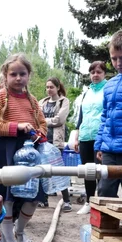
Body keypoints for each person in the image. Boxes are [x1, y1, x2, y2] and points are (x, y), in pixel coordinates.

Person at [0, 53, 47, 242]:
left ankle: (19, 231)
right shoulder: (0, 96)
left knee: (33, 197)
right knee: (8, 198)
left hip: (30, 151)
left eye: (23, 73)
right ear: (5, 75)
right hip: (7, 149)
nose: (18, 78)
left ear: (29, 75)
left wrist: (40, 134)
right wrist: (17, 127)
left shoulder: (32, 100)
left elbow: (42, 124)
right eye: (13, 74)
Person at [94, 28, 122, 199]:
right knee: (104, 191)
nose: (118, 63)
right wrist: (99, 143)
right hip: (109, 149)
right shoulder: (110, 84)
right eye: (114, 58)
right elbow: (105, 115)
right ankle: (105, 226)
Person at [74, 61, 108, 215]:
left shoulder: (108, 89)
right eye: (92, 72)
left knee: (100, 171)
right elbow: (81, 116)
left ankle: (100, 202)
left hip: (100, 137)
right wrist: (76, 137)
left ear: (104, 74)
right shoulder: (86, 92)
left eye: (99, 72)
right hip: (85, 136)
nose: (95, 75)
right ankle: (88, 201)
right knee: (88, 171)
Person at [38, 77, 72, 212]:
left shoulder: (64, 101)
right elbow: (36, 119)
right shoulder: (42, 102)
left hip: (56, 141)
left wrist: (43, 121)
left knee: (58, 170)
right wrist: (44, 121)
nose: (49, 90)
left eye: (51, 87)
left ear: (58, 88)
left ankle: (67, 200)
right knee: (43, 171)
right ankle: (43, 199)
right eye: (47, 87)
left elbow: (60, 120)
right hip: (42, 140)